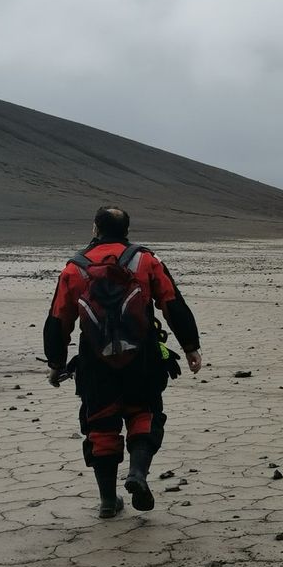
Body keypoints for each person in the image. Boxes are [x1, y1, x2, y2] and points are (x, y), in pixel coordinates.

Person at [43, 207, 203, 517]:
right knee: (143, 413)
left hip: (94, 361)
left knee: (101, 425)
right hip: (142, 357)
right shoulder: (146, 261)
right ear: (127, 229)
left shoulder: (74, 269)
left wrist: (55, 362)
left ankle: (107, 501)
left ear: (95, 229)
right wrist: (190, 346)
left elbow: (58, 318)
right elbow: (172, 303)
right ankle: (138, 474)